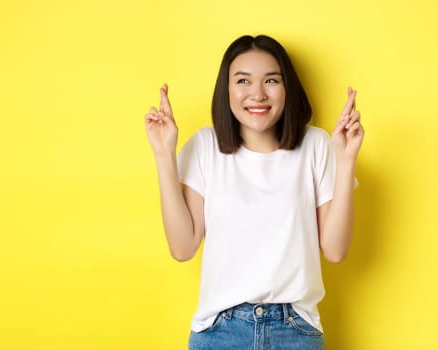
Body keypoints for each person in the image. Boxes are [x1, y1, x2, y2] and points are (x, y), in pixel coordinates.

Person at [143, 34, 363, 350]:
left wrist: (346, 160)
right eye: (243, 81)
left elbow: (335, 250)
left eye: (271, 80)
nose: (257, 94)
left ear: (287, 88)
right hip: (219, 332)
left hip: (295, 331)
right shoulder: (205, 146)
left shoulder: (315, 145)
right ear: (227, 90)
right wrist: (164, 154)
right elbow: (183, 247)